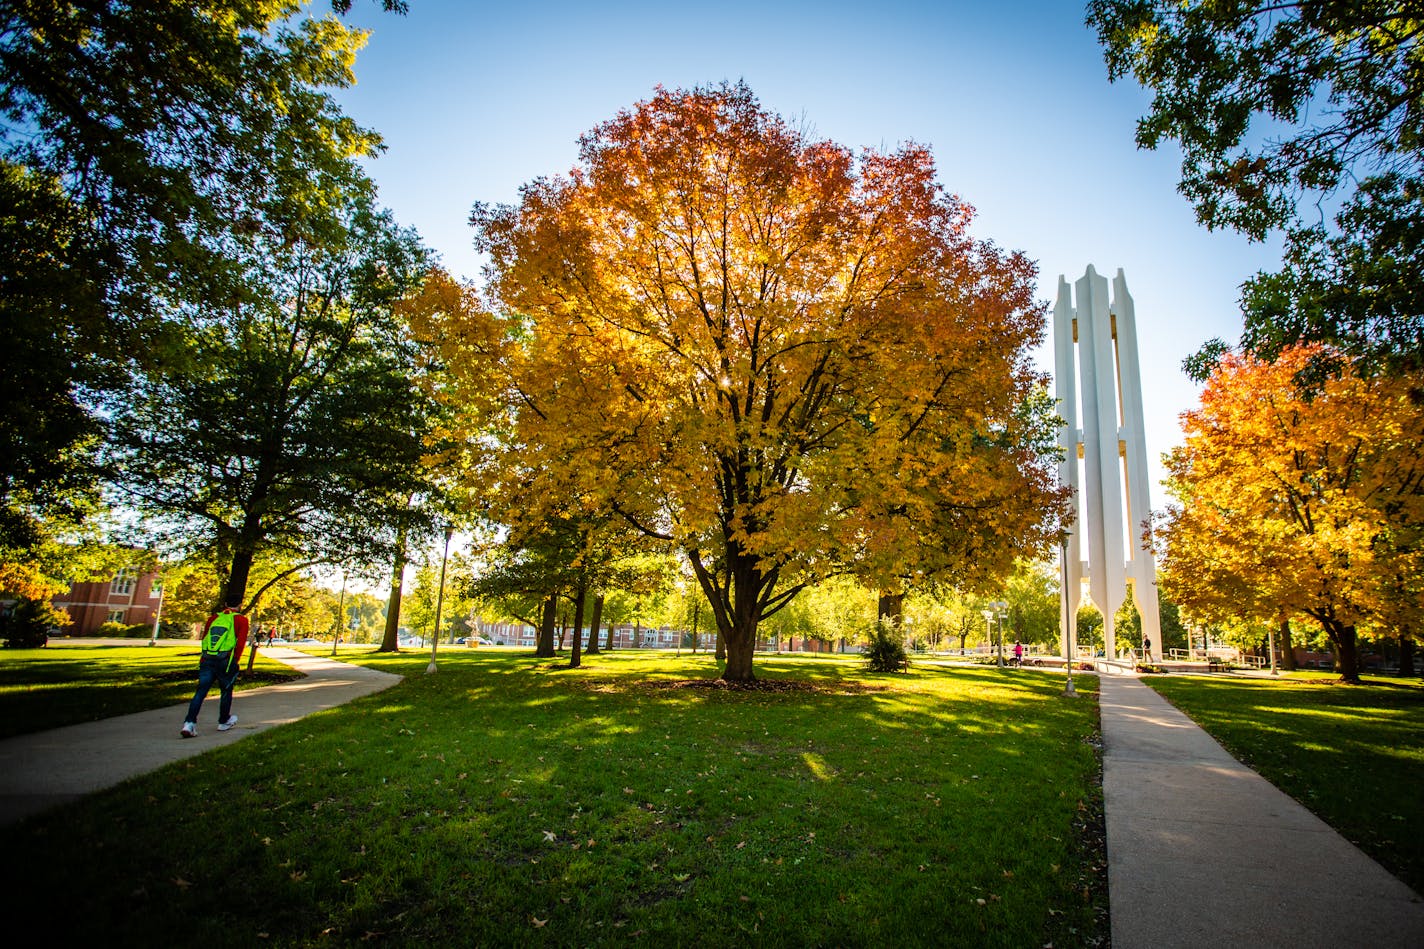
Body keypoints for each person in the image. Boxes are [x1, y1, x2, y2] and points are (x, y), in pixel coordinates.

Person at [181, 596, 249, 738]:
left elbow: (205, 637)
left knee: (200, 692)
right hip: (226, 660)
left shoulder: (213, 618)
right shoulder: (241, 620)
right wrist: (234, 661)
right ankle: (224, 720)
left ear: (225, 604)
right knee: (226, 690)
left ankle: (189, 723)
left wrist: (204, 658)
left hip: (207, 659)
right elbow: (240, 643)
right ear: (240, 605)